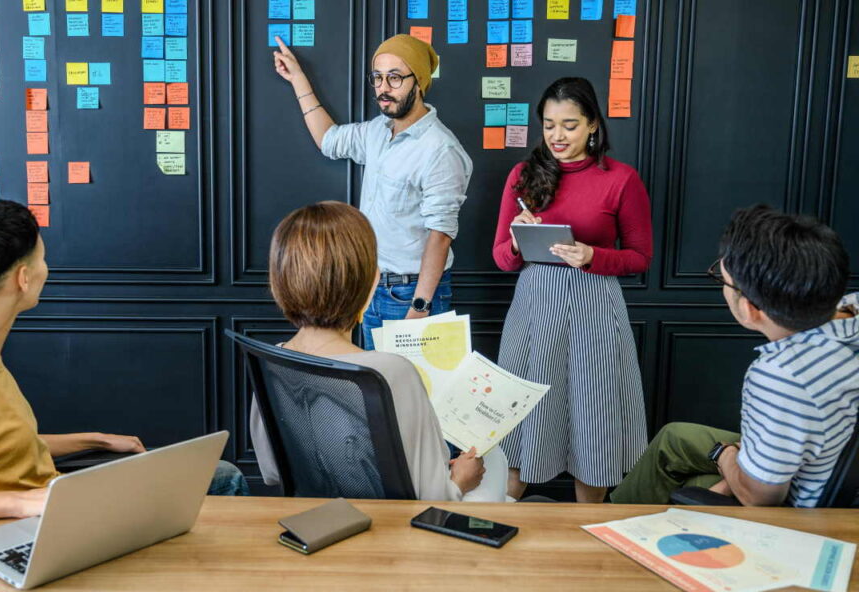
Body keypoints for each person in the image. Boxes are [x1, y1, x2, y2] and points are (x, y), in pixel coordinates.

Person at [0, 201, 247, 532]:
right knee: (224, 476)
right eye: (44, 259)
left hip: (45, 488)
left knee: (208, 471)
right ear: (23, 278)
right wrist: (21, 503)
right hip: (43, 510)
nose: (46, 269)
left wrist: (96, 439)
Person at [251, 201, 509, 501]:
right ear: (372, 280)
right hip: (396, 532)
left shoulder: (271, 360)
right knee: (494, 460)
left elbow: (271, 470)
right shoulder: (391, 370)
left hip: (315, 521)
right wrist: (462, 479)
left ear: (280, 279)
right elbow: (435, 495)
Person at [611, 206, 858, 507]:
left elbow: (760, 497)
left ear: (750, 309)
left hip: (796, 512)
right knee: (673, 438)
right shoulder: (852, 307)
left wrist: (725, 455)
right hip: (822, 455)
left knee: (691, 485)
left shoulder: (780, 375)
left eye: (723, 279)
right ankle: (615, 517)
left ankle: (617, 531)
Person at [492, 77, 652, 503]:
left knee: (593, 415)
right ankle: (506, 511)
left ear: (593, 125)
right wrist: (514, 238)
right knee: (522, 415)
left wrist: (593, 256)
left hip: (595, 306)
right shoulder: (522, 176)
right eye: (548, 125)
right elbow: (502, 260)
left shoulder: (621, 179)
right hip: (534, 307)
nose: (557, 136)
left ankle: (589, 523)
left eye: (569, 125)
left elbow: (640, 257)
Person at [273, 34, 472, 350]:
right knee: (376, 393)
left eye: (395, 78)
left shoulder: (440, 149)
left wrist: (419, 308)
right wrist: (298, 79)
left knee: (413, 394)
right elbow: (329, 140)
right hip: (373, 288)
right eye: (378, 78)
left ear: (418, 82)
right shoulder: (378, 131)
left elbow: (440, 235)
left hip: (413, 294)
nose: (383, 88)